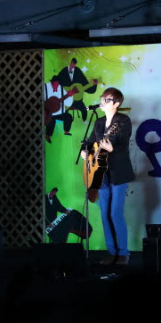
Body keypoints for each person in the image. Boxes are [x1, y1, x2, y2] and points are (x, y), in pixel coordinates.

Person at [81, 88, 134, 265]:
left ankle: (124, 253)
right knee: (105, 214)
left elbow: (124, 145)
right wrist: (85, 151)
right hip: (100, 172)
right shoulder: (98, 122)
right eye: (102, 98)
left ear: (116, 103)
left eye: (107, 99)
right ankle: (111, 252)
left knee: (115, 213)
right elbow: (90, 142)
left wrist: (113, 149)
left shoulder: (123, 121)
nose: (102, 102)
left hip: (118, 172)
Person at [44, 75, 75, 144]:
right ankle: (47, 135)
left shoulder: (61, 88)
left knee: (68, 117)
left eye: (58, 84)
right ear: (51, 82)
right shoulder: (45, 87)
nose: (56, 86)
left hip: (58, 112)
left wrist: (70, 96)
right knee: (51, 121)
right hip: (48, 112)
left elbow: (68, 103)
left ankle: (66, 131)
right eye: (55, 84)